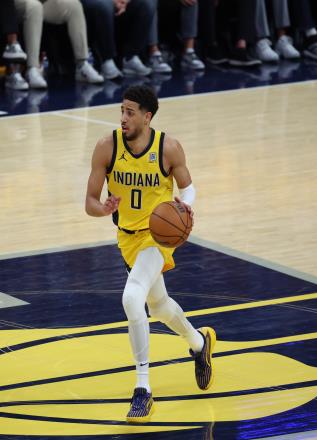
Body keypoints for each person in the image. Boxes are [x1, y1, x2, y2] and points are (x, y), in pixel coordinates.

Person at [85, 85, 216, 423]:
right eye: (122, 110)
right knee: (158, 306)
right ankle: (199, 343)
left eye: (130, 112)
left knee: (132, 298)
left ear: (147, 117)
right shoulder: (107, 146)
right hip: (127, 239)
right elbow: (90, 202)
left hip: (158, 237)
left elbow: (188, 187)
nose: (123, 118)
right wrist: (103, 208)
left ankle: (142, 389)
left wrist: (184, 207)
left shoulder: (168, 148)